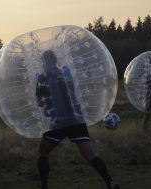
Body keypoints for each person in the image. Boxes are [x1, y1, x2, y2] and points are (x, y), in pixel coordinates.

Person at [35, 50, 119, 189]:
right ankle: (110, 182)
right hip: (76, 119)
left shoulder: (43, 78)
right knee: (90, 155)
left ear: (44, 63)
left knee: (42, 153)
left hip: (58, 123)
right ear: (55, 61)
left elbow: (40, 102)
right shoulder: (66, 75)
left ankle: (44, 186)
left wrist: (43, 98)